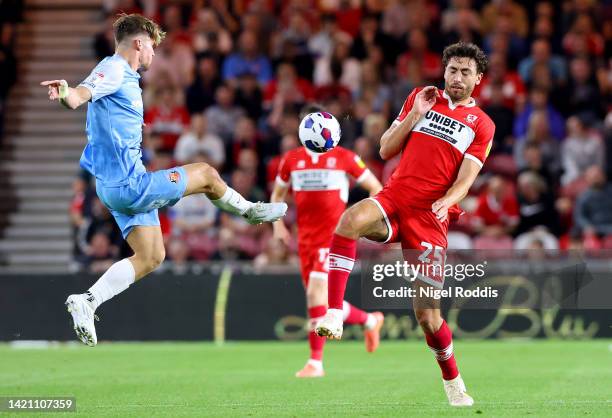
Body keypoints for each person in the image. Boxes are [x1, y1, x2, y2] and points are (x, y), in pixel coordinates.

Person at [40, 14, 287, 347]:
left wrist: (131, 127)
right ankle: (251, 211)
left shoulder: (123, 77)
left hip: (116, 187)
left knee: (152, 256)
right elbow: (80, 95)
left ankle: (87, 300)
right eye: (152, 47)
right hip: (128, 185)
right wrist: (68, 92)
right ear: (139, 43)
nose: (154, 55)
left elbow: (103, 111)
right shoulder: (113, 68)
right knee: (207, 174)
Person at [315, 42, 495, 406]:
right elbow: (384, 149)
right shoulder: (422, 96)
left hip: (430, 217)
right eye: (452, 70)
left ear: (478, 79)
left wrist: (449, 200)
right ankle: (334, 313)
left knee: (428, 317)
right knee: (349, 220)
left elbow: (468, 176)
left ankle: (453, 382)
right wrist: (415, 114)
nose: (457, 78)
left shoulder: (482, 124)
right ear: (444, 71)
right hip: (395, 197)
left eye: (465, 72)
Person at [271, 107, 385, 378]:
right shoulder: (291, 160)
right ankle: (370, 320)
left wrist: (361, 222)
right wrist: (277, 225)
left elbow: (376, 188)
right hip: (305, 242)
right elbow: (277, 195)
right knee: (320, 301)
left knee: (314, 295)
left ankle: (315, 363)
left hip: (334, 239)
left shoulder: (345, 158)